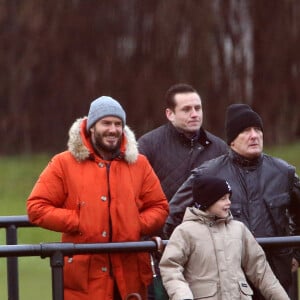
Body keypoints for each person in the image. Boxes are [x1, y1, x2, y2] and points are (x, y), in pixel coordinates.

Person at [27, 96, 169, 300]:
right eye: (106, 123)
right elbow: (36, 207)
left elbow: (159, 207)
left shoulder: (140, 164)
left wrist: (135, 224)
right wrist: (79, 221)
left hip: (130, 279)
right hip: (84, 281)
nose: (113, 129)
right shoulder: (63, 163)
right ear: (92, 127)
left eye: (118, 124)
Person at [164, 103, 300, 299]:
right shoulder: (208, 174)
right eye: (245, 131)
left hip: (277, 279)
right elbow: (173, 216)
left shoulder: (283, 172)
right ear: (232, 141)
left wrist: (296, 254)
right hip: (227, 285)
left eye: (257, 130)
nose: (254, 135)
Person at [159, 174, 290, 300]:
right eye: (222, 199)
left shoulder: (239, 229)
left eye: (229, 198)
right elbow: (171, 268)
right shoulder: (185, 231)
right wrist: (182, 296)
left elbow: (261, 272)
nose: (228, 203)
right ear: (207, 201)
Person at [138, 83, 228, 202]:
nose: (194, 114)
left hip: (206, 220)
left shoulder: (218, 148)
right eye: (186, 109)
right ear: (170, 114)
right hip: (163, 219)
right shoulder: (148, 145)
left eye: (198, 108)